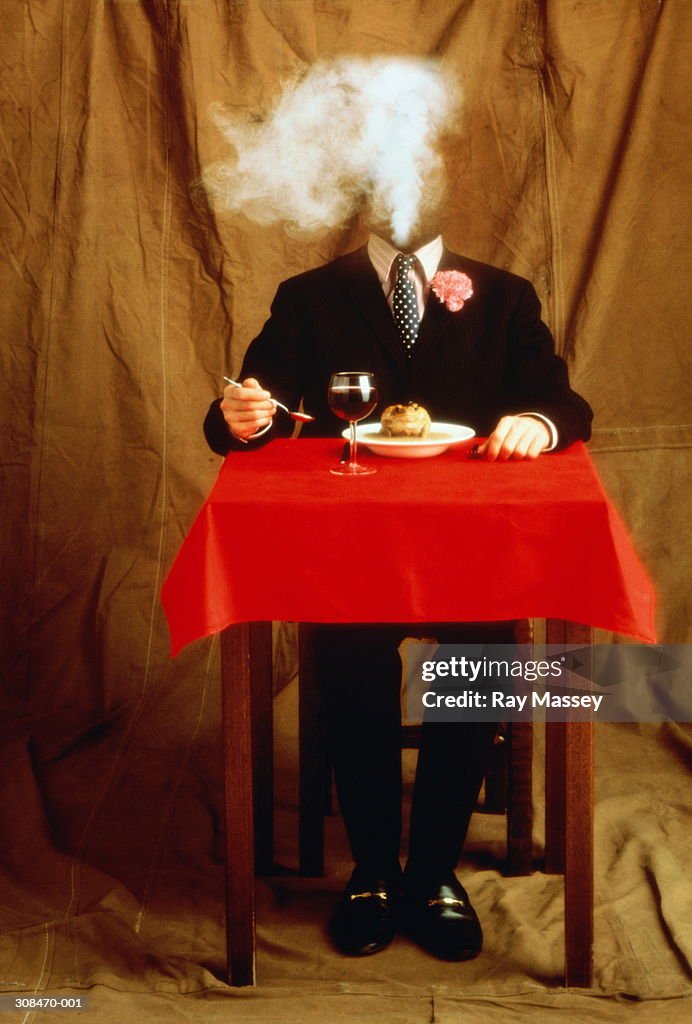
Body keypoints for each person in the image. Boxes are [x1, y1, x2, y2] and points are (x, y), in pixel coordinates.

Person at [204, 220, 593, 961]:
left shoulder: (504, 296)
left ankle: (435, 870)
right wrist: (241, 418)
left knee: (480, 650)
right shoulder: (309, 296)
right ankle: (374, 871)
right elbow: (254, 411)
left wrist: (536, 425)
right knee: (349, 650)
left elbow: (563, 403)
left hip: (472, 554)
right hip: (351, 556)